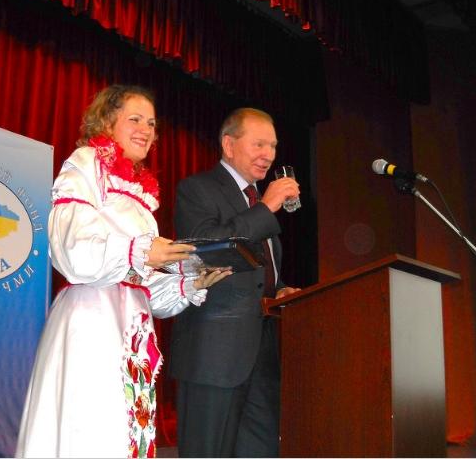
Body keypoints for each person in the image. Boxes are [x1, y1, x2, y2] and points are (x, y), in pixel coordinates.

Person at [15, 84, 230, 458]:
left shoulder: (141, 198)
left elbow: (142, 284)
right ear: (107, 121)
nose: (146, 129)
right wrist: (140, 250)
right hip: (93, 317)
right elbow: (72, 249)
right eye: (135, 119)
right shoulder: (86, 164)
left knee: (126, 426)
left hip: (132, 324)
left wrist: (189, 283)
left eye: (151, 123)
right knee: (92, 424)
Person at [170, 107, 301, 457]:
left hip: (262, 354)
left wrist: (280, 289)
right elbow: (205, 247)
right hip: (213, 354)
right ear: (229, 145)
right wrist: (266, 208)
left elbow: (258, 272)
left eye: (273, 146)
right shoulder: (198, 189)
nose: (268, 154)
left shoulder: (257, 201)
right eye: (259, 144)